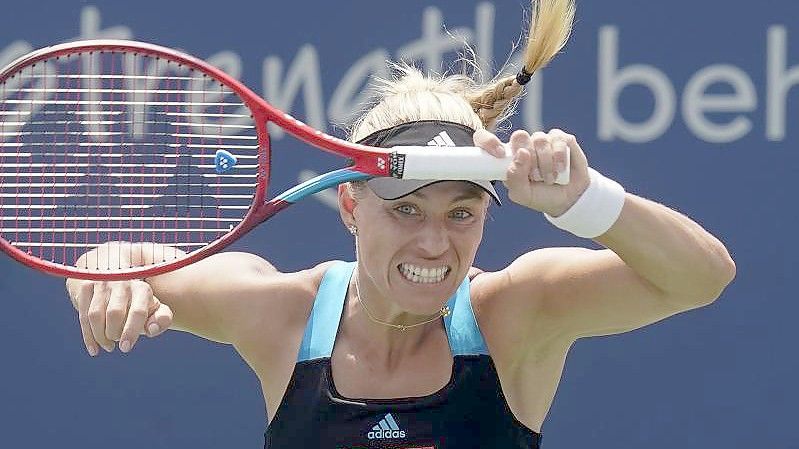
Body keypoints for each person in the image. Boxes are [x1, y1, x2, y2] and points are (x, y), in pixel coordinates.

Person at [65, 1, 735, 447]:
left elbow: (702, 277)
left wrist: (585, 200)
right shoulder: (282, 315)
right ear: (351, 206)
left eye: (461, 212)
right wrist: (102, 274)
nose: (434, 242)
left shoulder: (518, 311)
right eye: (406, 208)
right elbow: (122, 258)